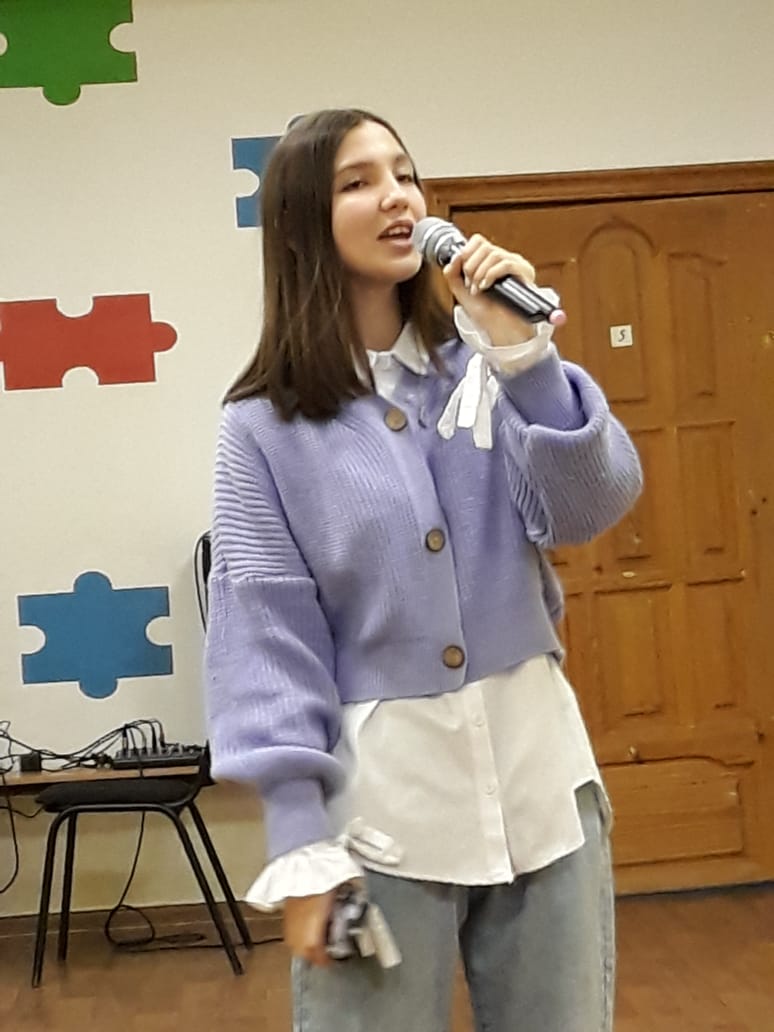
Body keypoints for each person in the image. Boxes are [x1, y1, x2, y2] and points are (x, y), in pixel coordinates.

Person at [204, 108, 642, 1032]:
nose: (397, 196)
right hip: (382, 818)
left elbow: (589, 508)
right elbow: (267, 641)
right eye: (358, 182)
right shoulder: (262, 427)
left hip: (540, 788)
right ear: (301, 222)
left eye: (404, 174)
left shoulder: (487, 366)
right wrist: (300, 836)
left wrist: (526, 357)